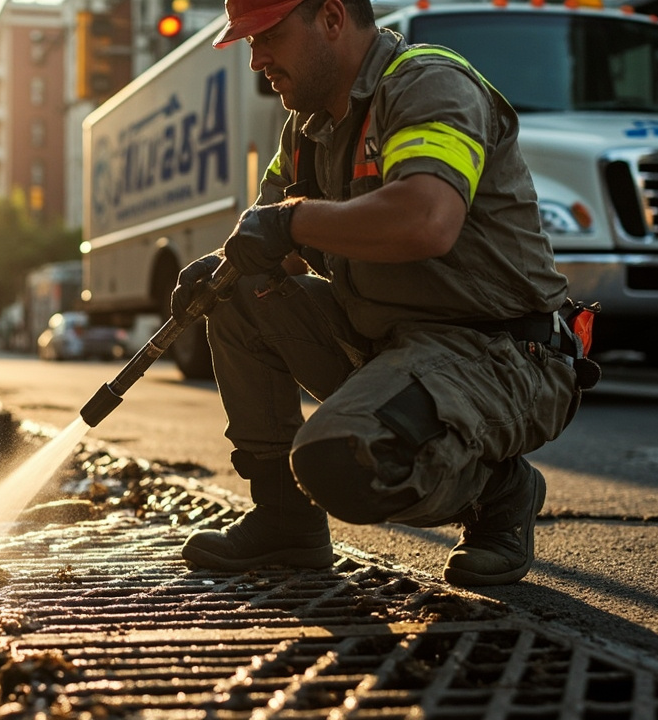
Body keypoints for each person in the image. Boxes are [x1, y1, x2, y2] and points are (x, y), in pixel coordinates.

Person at [172, 0, 596, 586]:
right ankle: (285, 523)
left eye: (267, 36)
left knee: (340, 463)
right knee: (239, 289)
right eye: (247, 42)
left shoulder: (428, 84)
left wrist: (289, 224)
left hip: (502, 354)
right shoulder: (307, 125)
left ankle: (498, 492)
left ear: (331, 17)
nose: (255, 61)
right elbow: (271, 237)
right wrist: (221, 267)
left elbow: (425, 219)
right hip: (395, 342)